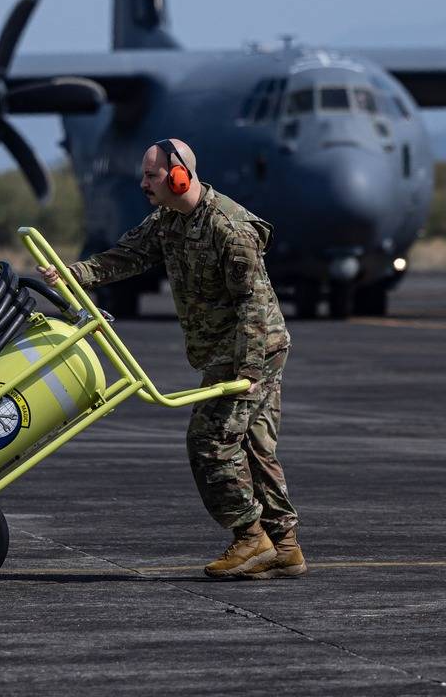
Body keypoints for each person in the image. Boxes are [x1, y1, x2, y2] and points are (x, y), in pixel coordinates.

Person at [40, 138, 305, 579]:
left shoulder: (229, 229)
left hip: (248, 350)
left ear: (180, 175)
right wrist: (74, 274)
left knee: (211, 444)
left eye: (152, 175)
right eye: (144, 174)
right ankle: (284, 545)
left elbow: (254, 306)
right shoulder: (168, 220)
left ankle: (250, 536)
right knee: (256, 449)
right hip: (226, 349)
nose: (144, 183)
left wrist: (250, 373)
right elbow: (129, 256)